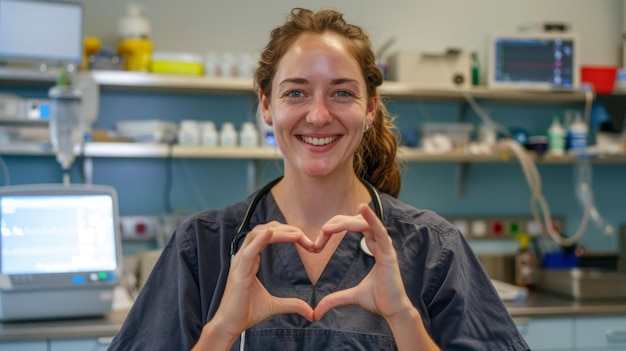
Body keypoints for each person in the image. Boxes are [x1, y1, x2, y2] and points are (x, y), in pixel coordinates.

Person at [108, 7, 530, 351]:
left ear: (370, 109)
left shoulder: (433, 249)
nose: (318, 115)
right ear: (266, 105)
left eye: (342, 92)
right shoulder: (203, 247)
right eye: (296, 92)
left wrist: (404, 319)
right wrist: (221, 330)